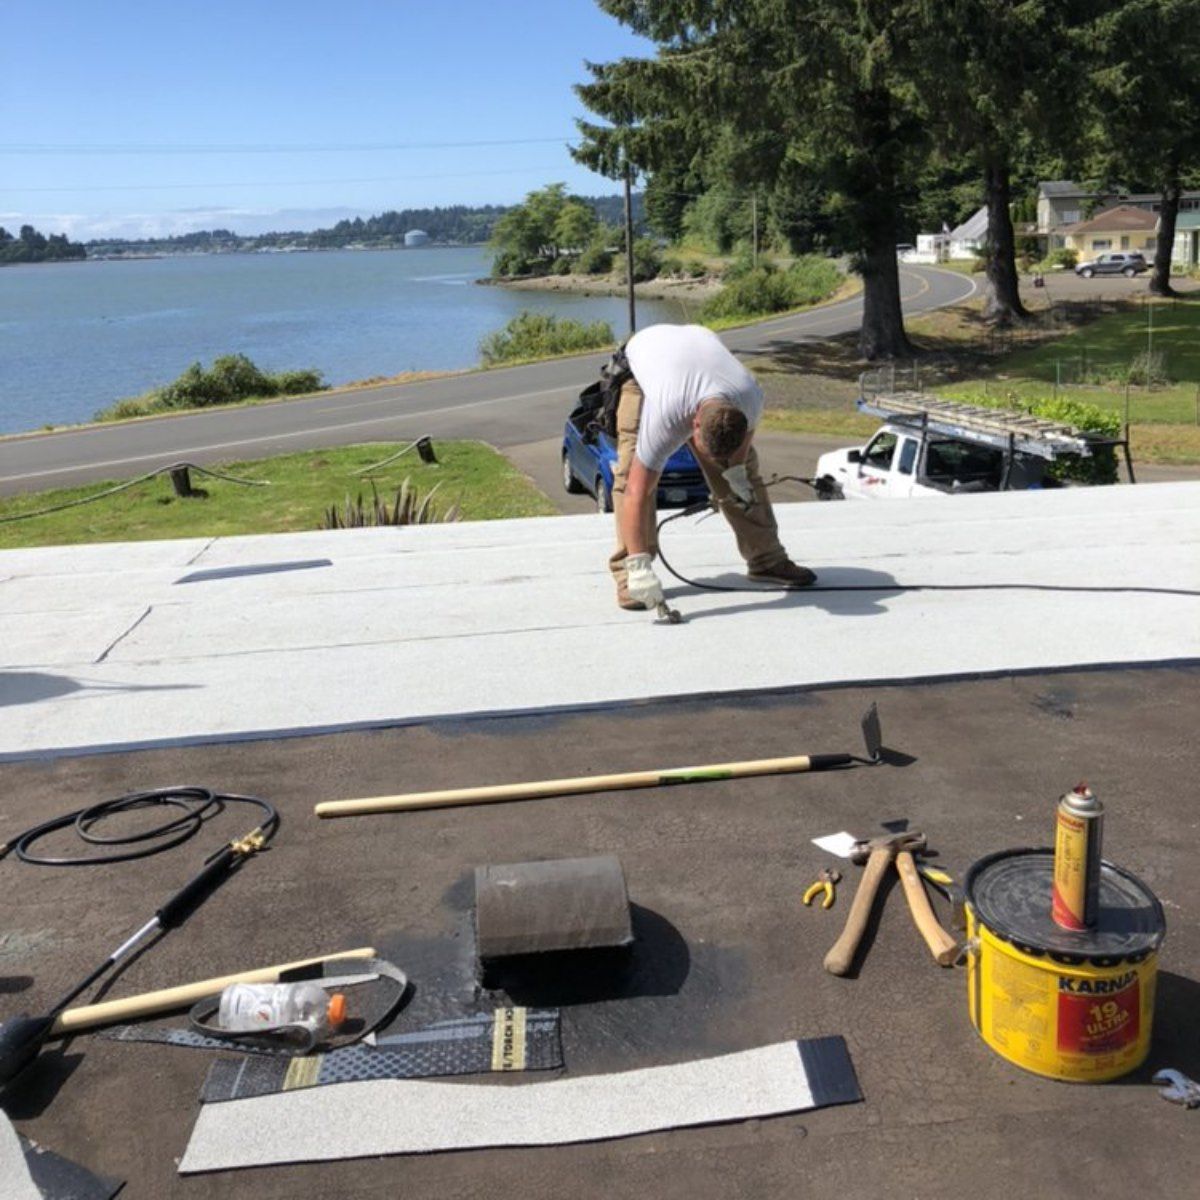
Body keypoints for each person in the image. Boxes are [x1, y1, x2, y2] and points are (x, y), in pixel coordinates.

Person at [608, 323, 817, 611]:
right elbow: (636, 491)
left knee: (744, 475)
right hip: (641, 370)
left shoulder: (749, 397)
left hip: (697, 354)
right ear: (692, 425)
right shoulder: (666, 416)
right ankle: (631, 575)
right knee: (631, 471)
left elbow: (741, 452)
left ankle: (766, 560)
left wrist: (736, 473)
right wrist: (639, 565)